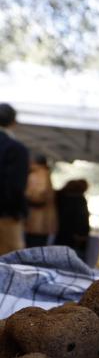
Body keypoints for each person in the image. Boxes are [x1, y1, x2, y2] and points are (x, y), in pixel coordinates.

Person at [0, 103, 29, 255]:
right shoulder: (16, 149)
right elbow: (16, 186)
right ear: (13, 122)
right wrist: (19, 212)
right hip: (5, 216)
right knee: (9, 264)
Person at [24, 155, 58, 248]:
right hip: (40, 224)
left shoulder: (38, 175)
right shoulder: (45, 174)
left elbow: (39, 197)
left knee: (32, 251)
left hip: (37, 223)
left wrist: (22, 196)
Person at [54, 179, 90, 260]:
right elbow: (82, 219)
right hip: (74, 237)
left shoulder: (59, 196)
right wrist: (82, 235)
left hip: (58, 233)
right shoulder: (79, 200)